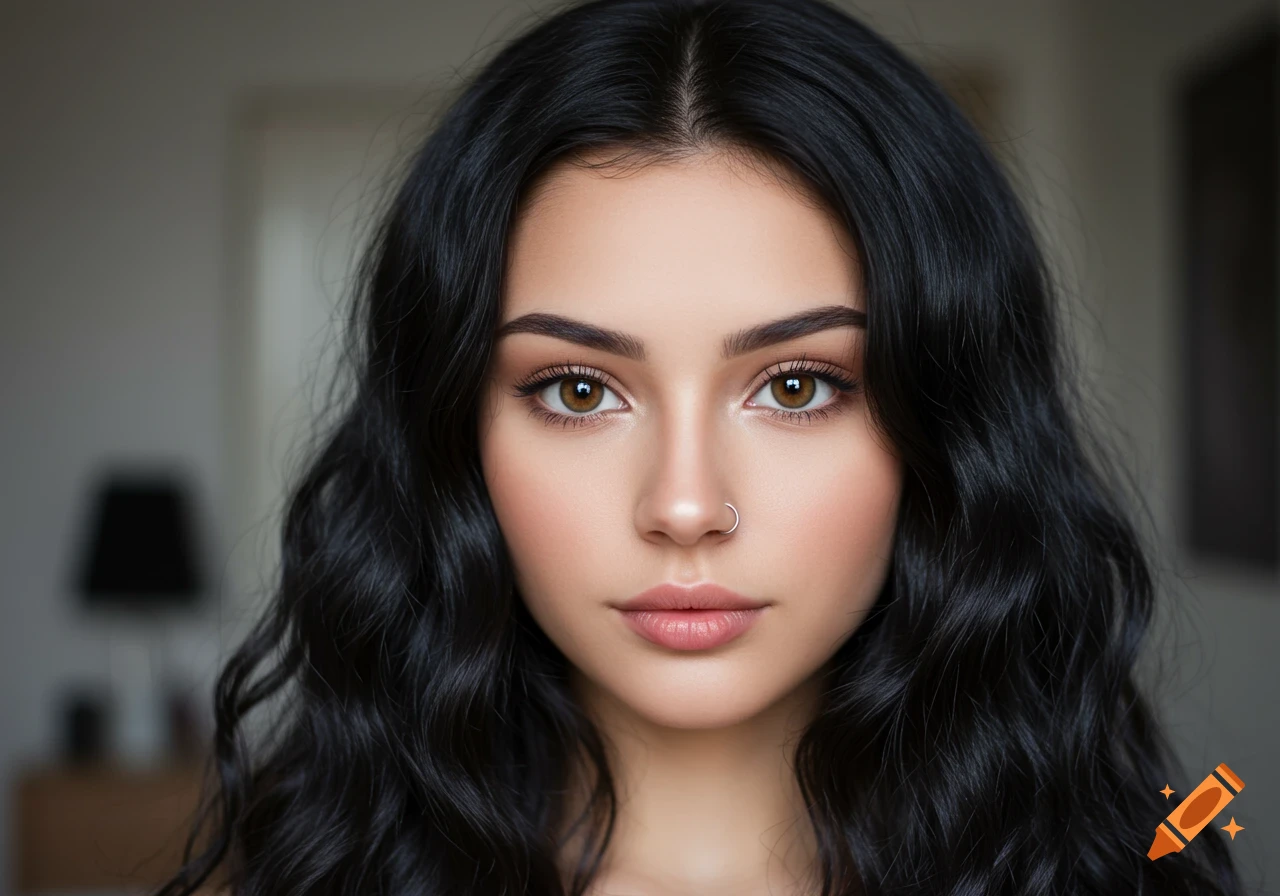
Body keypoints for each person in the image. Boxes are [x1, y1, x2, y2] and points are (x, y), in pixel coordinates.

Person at [154, 0, 1246, 894]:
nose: (683, 505)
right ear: (451, 433)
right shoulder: (304, 873)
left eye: (795, 384)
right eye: (578, 389)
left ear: (945, 428)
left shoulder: (1126, 866)